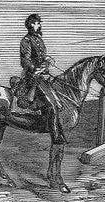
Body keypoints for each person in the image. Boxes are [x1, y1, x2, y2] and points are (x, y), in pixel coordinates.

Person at [12, 14, 66, 142]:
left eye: (38, 23)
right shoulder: (26, 40)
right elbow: (24, 60)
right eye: (36, 23)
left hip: (42, 75)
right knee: (51, 105)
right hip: (32, 77)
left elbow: (42, 56)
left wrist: (48, 59)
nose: (38, 25)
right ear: (30, 25)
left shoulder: (39, 39)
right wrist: (35, 69)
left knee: (58, 101)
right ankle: (55, 136)